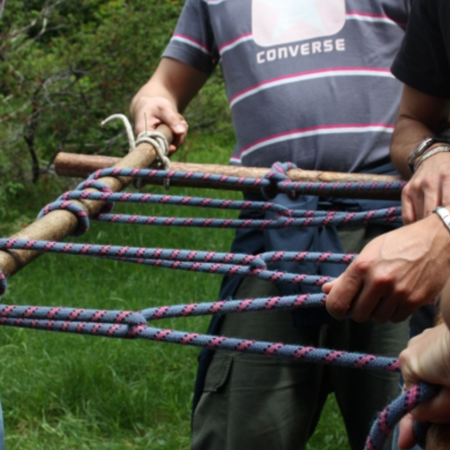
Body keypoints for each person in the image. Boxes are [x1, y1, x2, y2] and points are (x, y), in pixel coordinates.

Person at [130, 2, 411, 449]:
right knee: (243, 427)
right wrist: (153, 102)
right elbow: (163, 84)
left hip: (395, 227)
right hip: (272, 231)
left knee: (415, 420)